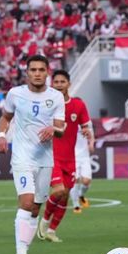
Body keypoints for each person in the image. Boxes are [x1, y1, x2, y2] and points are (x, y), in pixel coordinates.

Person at [0, 54, 65, 254]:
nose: (37, 74)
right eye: (33, 70)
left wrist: (53, 129)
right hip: (22, 157)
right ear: (27, 73)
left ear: (47, 73)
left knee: (36, 207)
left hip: (45, 159)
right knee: (26, 202)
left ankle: (24, 249)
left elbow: (61, 129)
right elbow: (6, 117)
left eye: (41, 70)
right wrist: (0, 135)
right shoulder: (15, 94)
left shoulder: (55, 97)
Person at [38, 71, 93, 242]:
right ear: (52, 84)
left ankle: (52, 231)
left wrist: (86, 131)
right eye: (56, 82)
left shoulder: (78, 105)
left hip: (71, 158)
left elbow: (86, 126)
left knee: (66, 194)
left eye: (63, 81)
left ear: (69, 84)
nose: (60, 84)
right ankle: (44, 222)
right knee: (59, 190)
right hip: (51, 156)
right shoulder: (46, 106)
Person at [70, 127, 93, 214]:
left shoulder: (86, 122)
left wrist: (91, 144)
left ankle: (80, 195)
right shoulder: (68, 120)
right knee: (74, 180)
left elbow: (91, 135)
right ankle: (76, 205)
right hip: (72, 156)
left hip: (85, 156)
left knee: (86, 181)